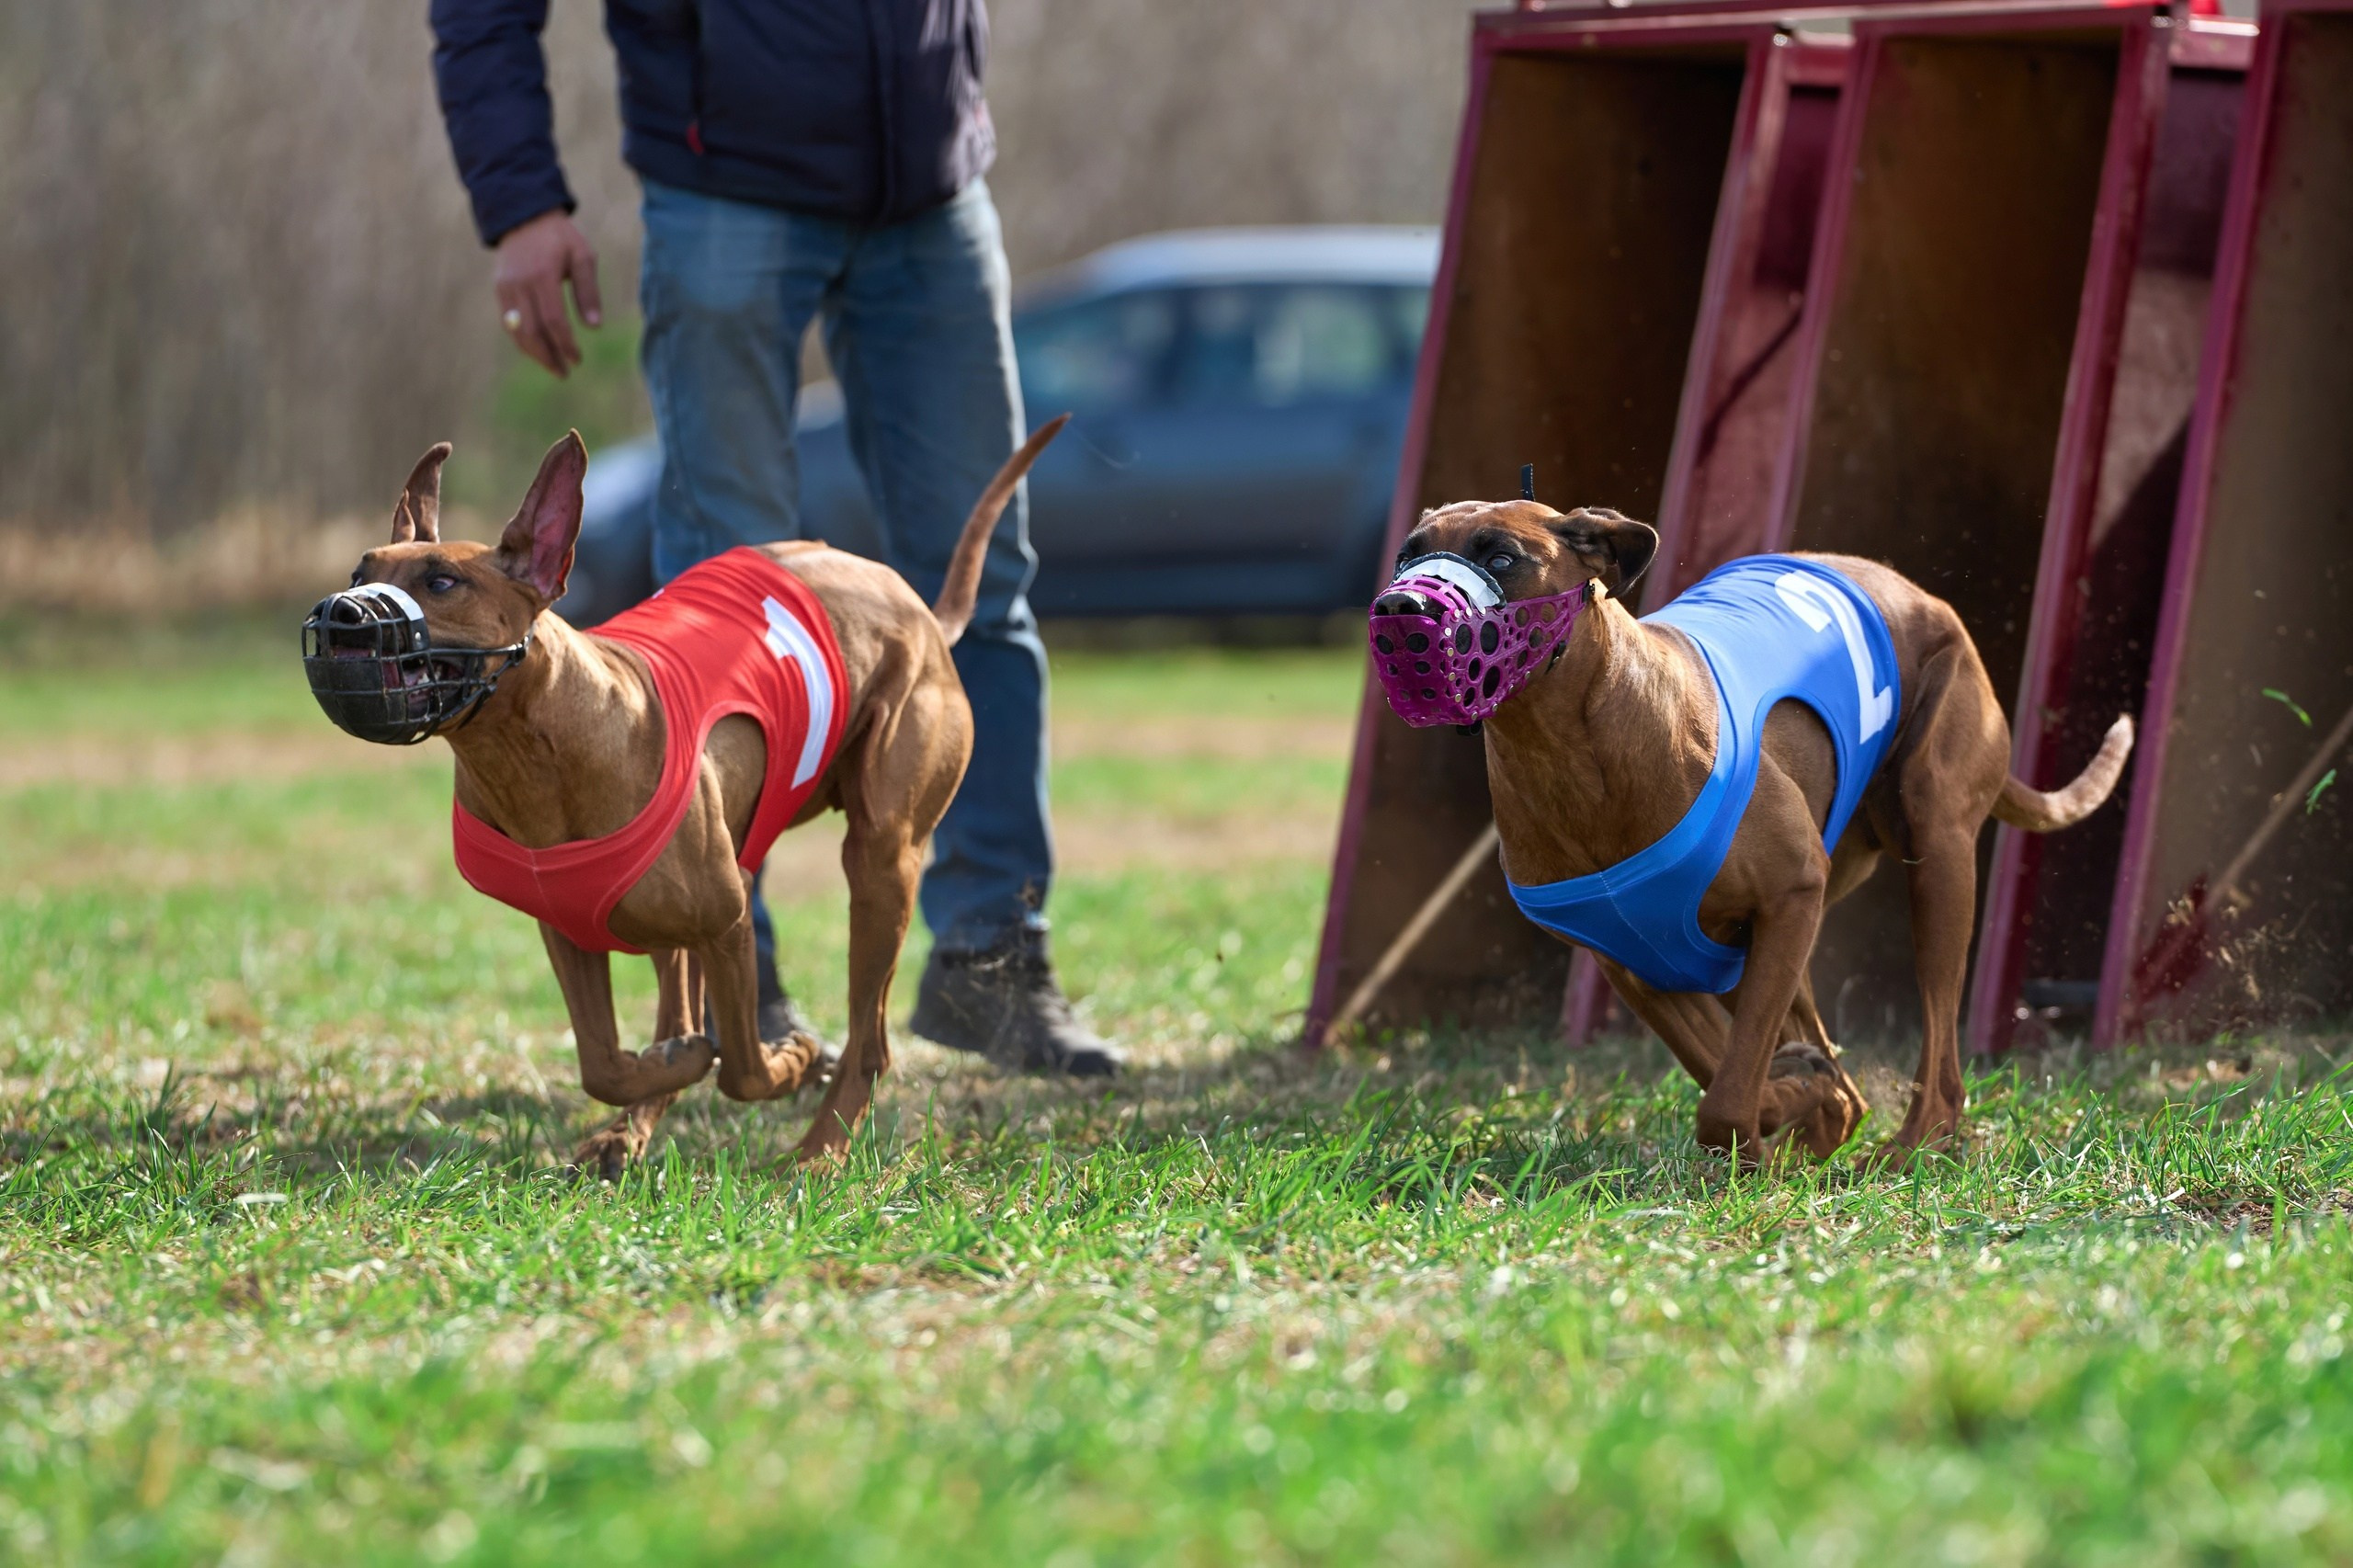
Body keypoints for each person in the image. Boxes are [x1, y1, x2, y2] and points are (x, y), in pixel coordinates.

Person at [428, 0, 1119, 1076]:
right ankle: (733, 975)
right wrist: (519, 201)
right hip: (724, 185)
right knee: (716, 608)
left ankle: (990, 962)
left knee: (980, 590)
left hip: (930, 180)